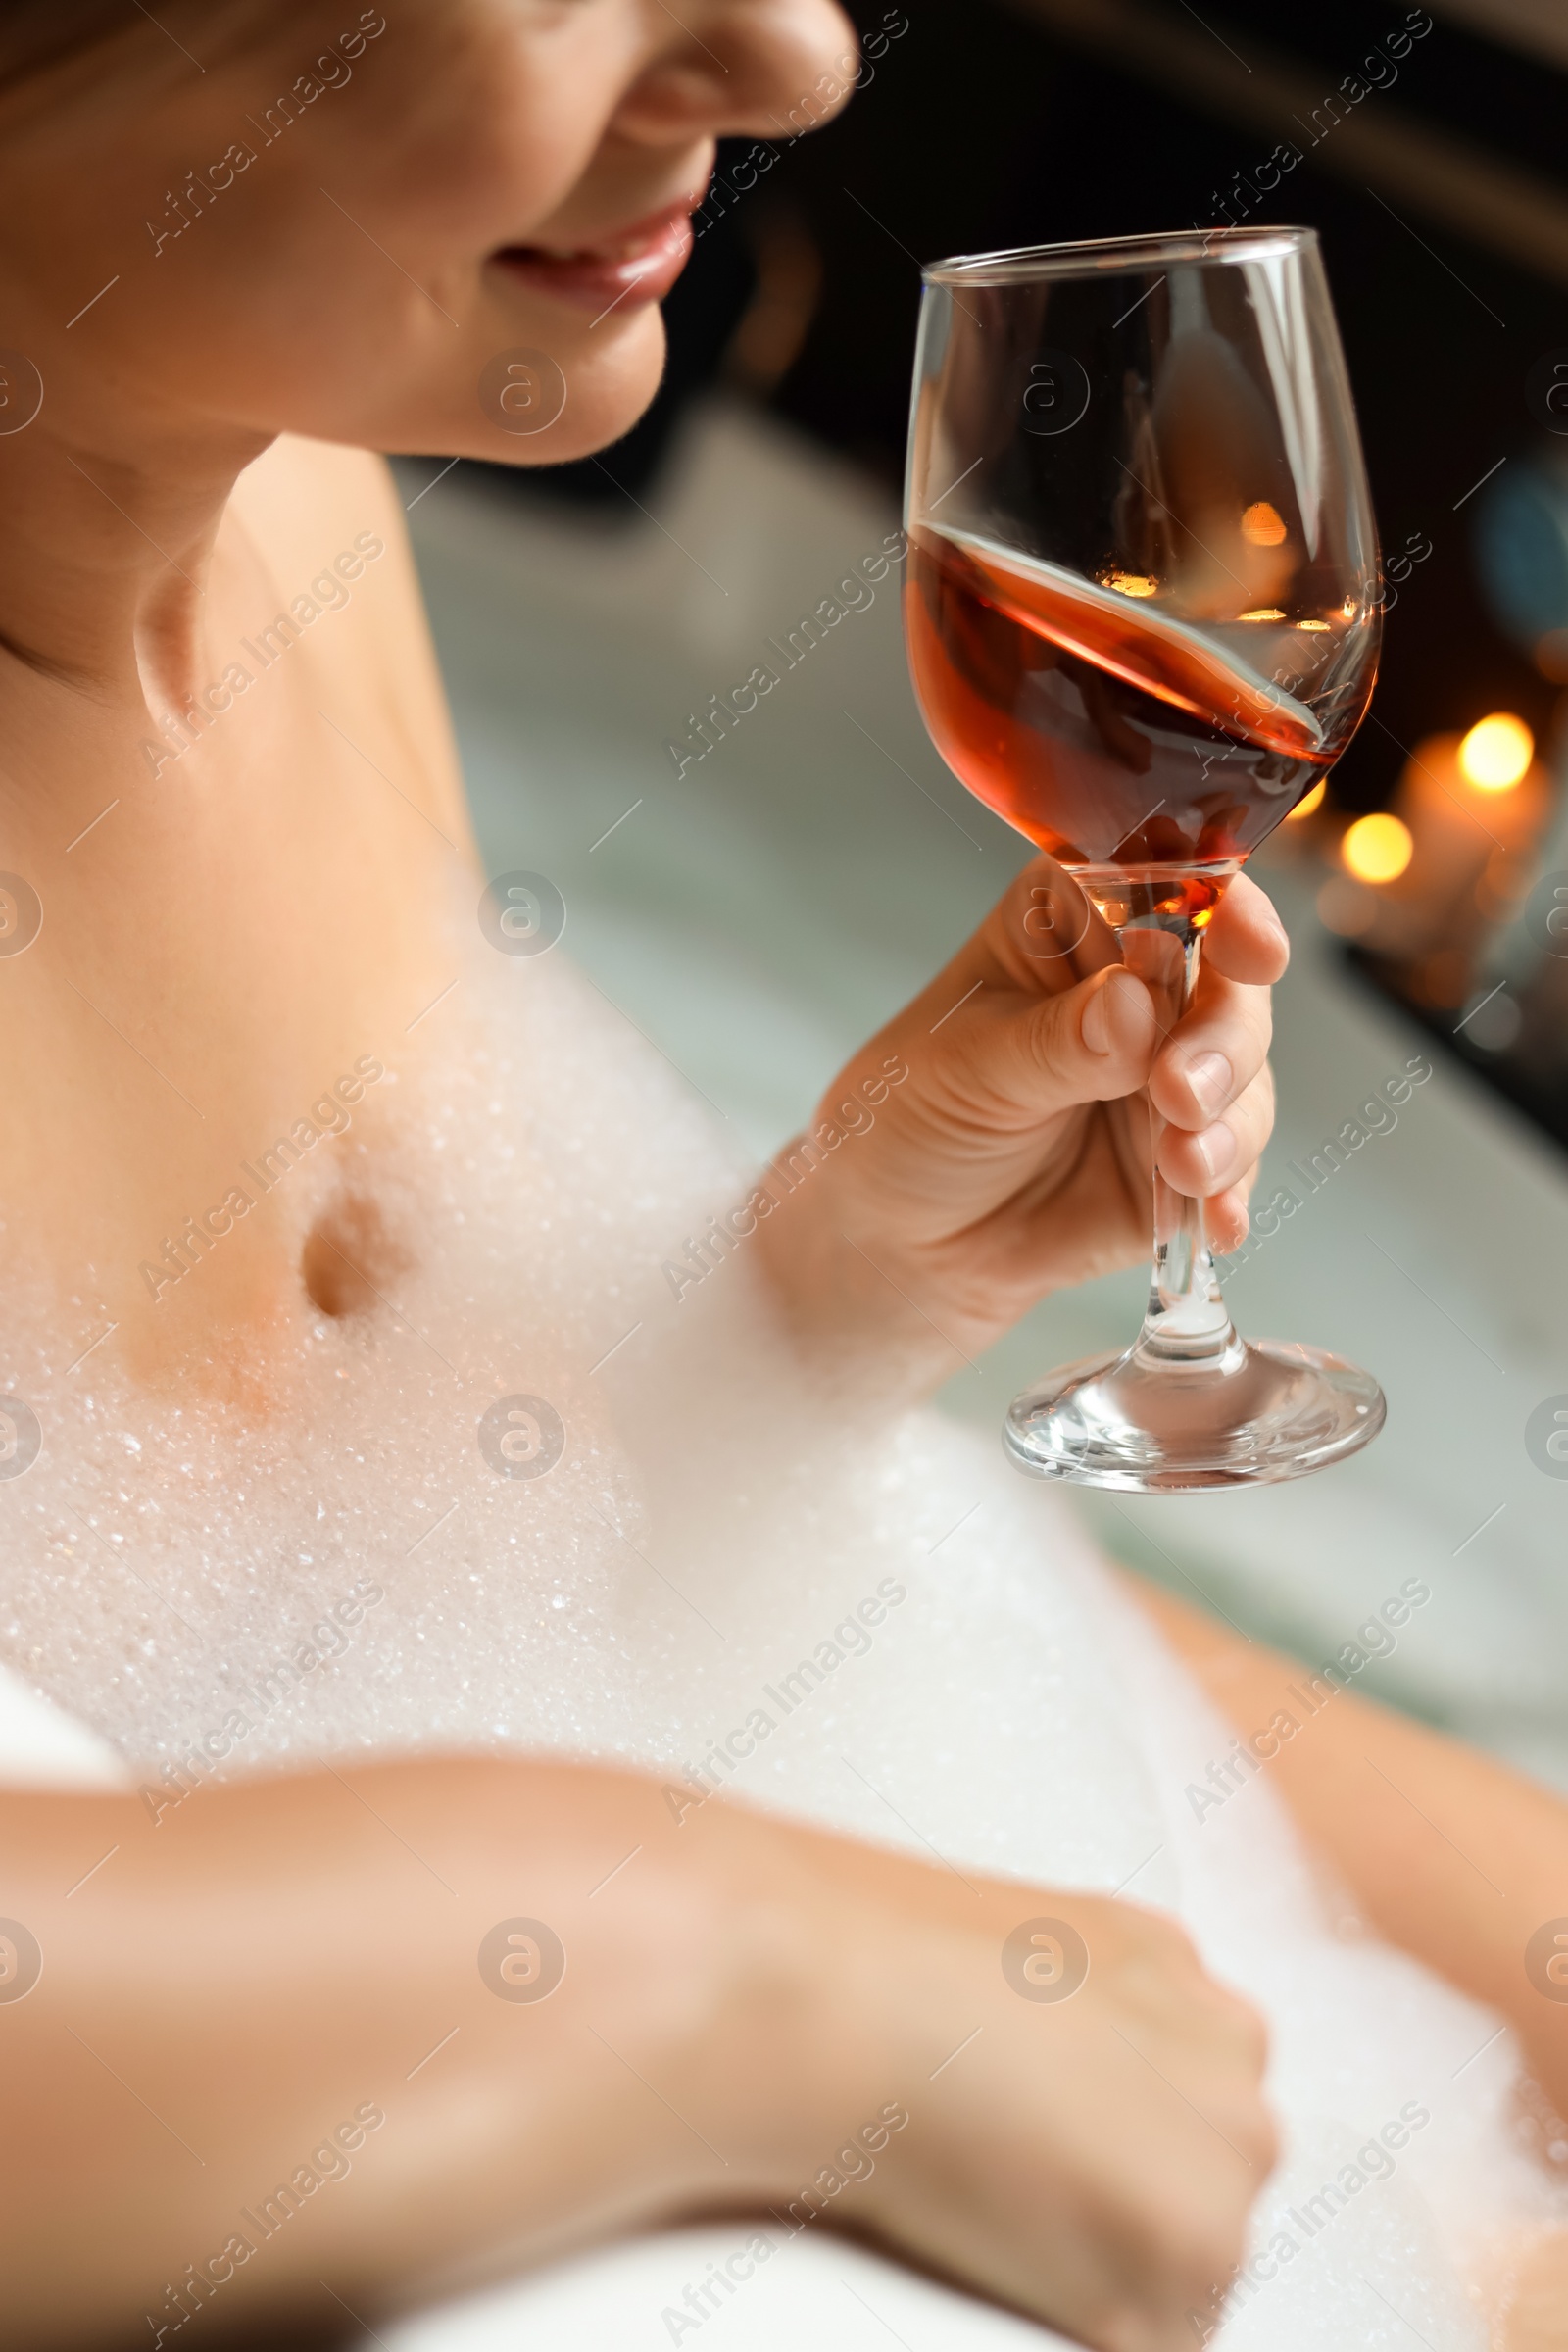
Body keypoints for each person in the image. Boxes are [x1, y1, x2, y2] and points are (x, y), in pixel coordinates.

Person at [0, 5, 1563, 2348]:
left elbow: (350, 1523)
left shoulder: (278, 491)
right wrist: (773, 1977)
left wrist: (812, 1287)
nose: (791, 54)